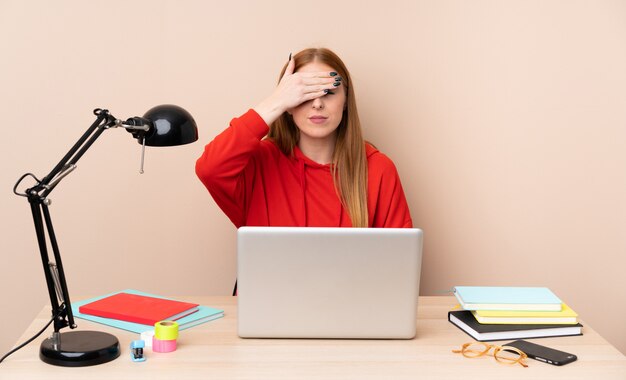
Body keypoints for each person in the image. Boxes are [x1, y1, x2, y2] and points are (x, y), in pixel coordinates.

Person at [196, 47, 412, 228]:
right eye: (305, 93)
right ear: (288, 103)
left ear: (346, 101)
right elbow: (210, 168)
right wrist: (276, 102)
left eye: (328, 92)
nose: (317, 103)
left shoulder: (378, 169)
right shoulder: (258, 164)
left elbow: (399, 263)